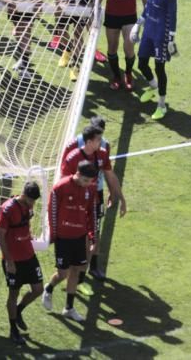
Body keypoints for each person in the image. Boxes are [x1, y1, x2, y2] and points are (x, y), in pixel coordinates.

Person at [61, 122, 127, 286]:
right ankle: (71, 272)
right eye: (98, 138)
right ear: (89, 140)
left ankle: (90, 269)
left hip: (95, 196)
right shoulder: (74, 149)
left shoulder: (103, 151)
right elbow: (64, 178)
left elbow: (109, 175)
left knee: (94, 233)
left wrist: (119, 197)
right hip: (75, 198)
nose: (101, 141)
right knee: (76, 234)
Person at [42, 161, 98, 322]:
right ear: (78, 174)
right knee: (62, 273)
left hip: (80, 237)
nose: (88, 184)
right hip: (63, 238)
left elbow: (91, 214)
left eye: (91, 181)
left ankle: (68, 308)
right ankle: (49, 287)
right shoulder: (60, 188)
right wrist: (53, 234)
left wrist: (93, 237)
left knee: (76, 270)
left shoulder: (90, 189)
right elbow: (52, 212)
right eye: (86, 181)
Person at [130, 0, 177, 120]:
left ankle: (162, 105)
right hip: (149, 31)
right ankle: (152, 86)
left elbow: (173, 15)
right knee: (142, 63)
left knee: (159, 68)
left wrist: (171, 39)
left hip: (161, 35)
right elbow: (147, 9)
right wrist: (137, 26)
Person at [0, 181, 43, 345]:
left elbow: (25, 224)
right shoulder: (8, 208)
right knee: (13, 293)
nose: (33, 204)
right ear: (24, 194)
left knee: (38, 289)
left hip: (29, 255)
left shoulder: (28, 206)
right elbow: (1, 236)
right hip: (13, 261)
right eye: (31, 200)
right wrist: (9, 261)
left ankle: (18, 310)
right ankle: (13, 329)